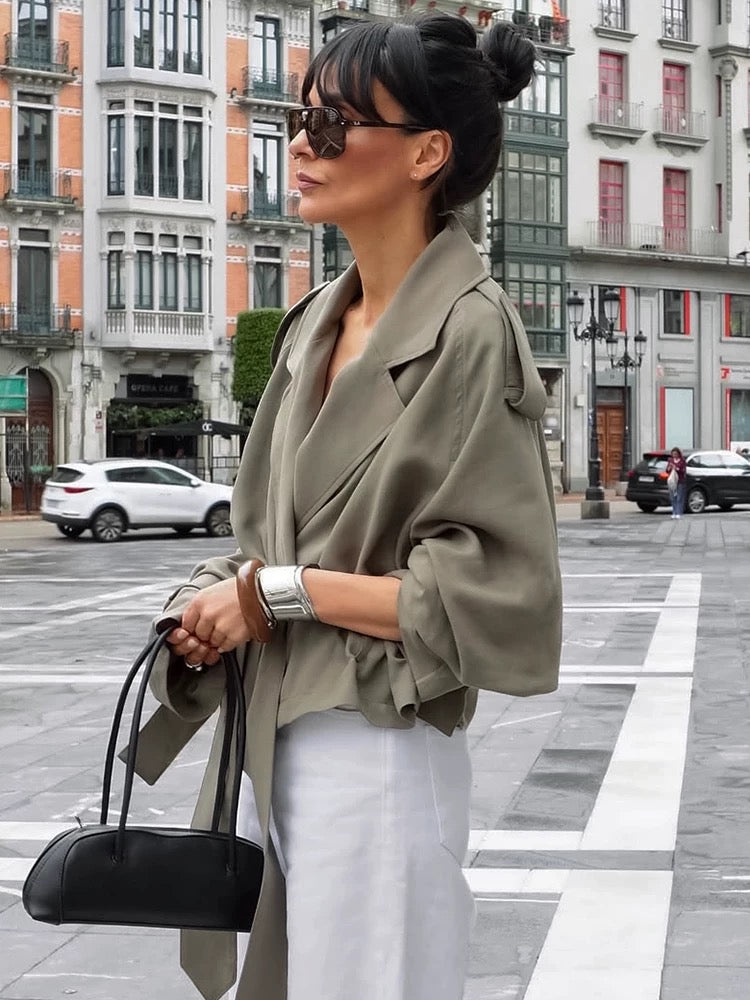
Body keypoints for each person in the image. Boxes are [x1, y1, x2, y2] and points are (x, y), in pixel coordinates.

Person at [131, 14, 562, 1000]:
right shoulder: (314, 322)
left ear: (425, 153)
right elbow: (262, 535)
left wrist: (273, 595)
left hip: (379, 743)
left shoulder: (471, 331)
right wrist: (208, 605)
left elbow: (492, 591)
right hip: (274, 735)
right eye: (300, 119)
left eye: (332, 125)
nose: (300, 145)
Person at [666, 446, 687, 518]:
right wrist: (669, 468)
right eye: (673, 454)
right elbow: (667, 470)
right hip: (672, 481)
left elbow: (683, 470)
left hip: (680, 480)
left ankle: (679, 512)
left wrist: (676, 468)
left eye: (675, 454)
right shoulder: (670, 460)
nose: (674, 455)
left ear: (678, 454)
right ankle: (674, 512)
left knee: (679, 497)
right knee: (673, 497)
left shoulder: (682, 461)